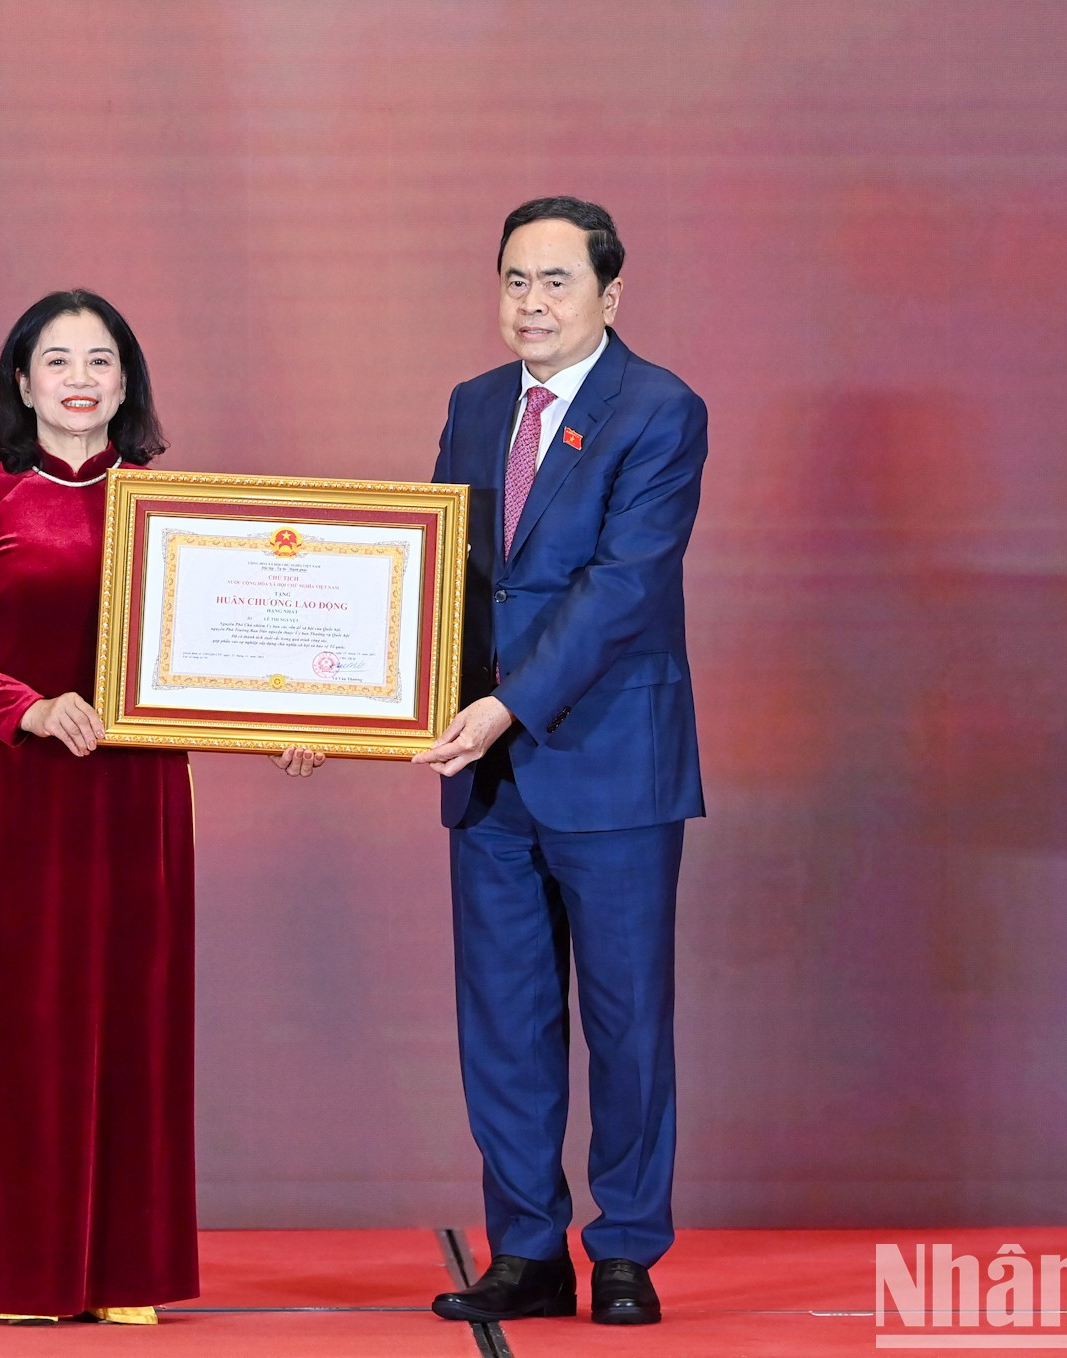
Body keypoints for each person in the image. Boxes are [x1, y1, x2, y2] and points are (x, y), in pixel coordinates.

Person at [0, 290, 321, 1326]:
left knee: (137, 1021)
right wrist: (29, 707)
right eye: (58, 359)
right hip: (19, 791)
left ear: (127, 382)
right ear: (22, 380)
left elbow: (228, 659)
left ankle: (128, 1273)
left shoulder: (172, 509)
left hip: (141, 794)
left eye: (101, 359)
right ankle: (21, 1276)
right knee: (22, 1025)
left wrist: (294, 717)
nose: (80, 377)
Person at [415, 198, 707, 1327]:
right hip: (484, 770)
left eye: (555, 283)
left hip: (609, 760)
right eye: (513, 282)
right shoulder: (474, 404)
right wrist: (350, 700)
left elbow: (624, 589)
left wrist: (501, 705)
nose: (530, 304)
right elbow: (435, 572)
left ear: (608, 297)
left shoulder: (659, 408)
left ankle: (626, 1246)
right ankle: (527, 1248)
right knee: (504, 1019)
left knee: (628, 1018)